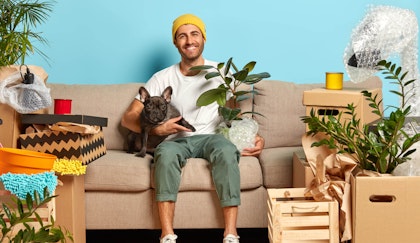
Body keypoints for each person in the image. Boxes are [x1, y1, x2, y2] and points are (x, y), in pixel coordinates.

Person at [121, 13, 265, 243]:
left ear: (203, 38)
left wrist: (253, 136)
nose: (189, 41)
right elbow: (128, 118)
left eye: (194, 34)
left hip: (212, 137)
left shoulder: (220, 72)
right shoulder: (161, 77)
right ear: (175, 42)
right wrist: (158, 130)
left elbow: (235, 113)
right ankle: (167, 234)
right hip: (175, 141)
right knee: (164, 156)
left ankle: (230, 233)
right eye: (182, 36)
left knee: (227, 152)